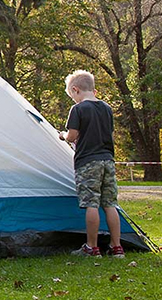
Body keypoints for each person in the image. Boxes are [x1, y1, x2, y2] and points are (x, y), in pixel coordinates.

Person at [59, 70, 125, 258]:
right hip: (108, 160)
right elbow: (110, 135)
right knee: (110, 203)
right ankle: (116, 246)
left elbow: (72, 136)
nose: (73, 100)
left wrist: (62, 135)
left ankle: (92, 247)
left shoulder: (78, 109)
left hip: (88, 162)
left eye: (72, 96)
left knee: (91, 204)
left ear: (75, 89)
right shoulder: (107, 108)